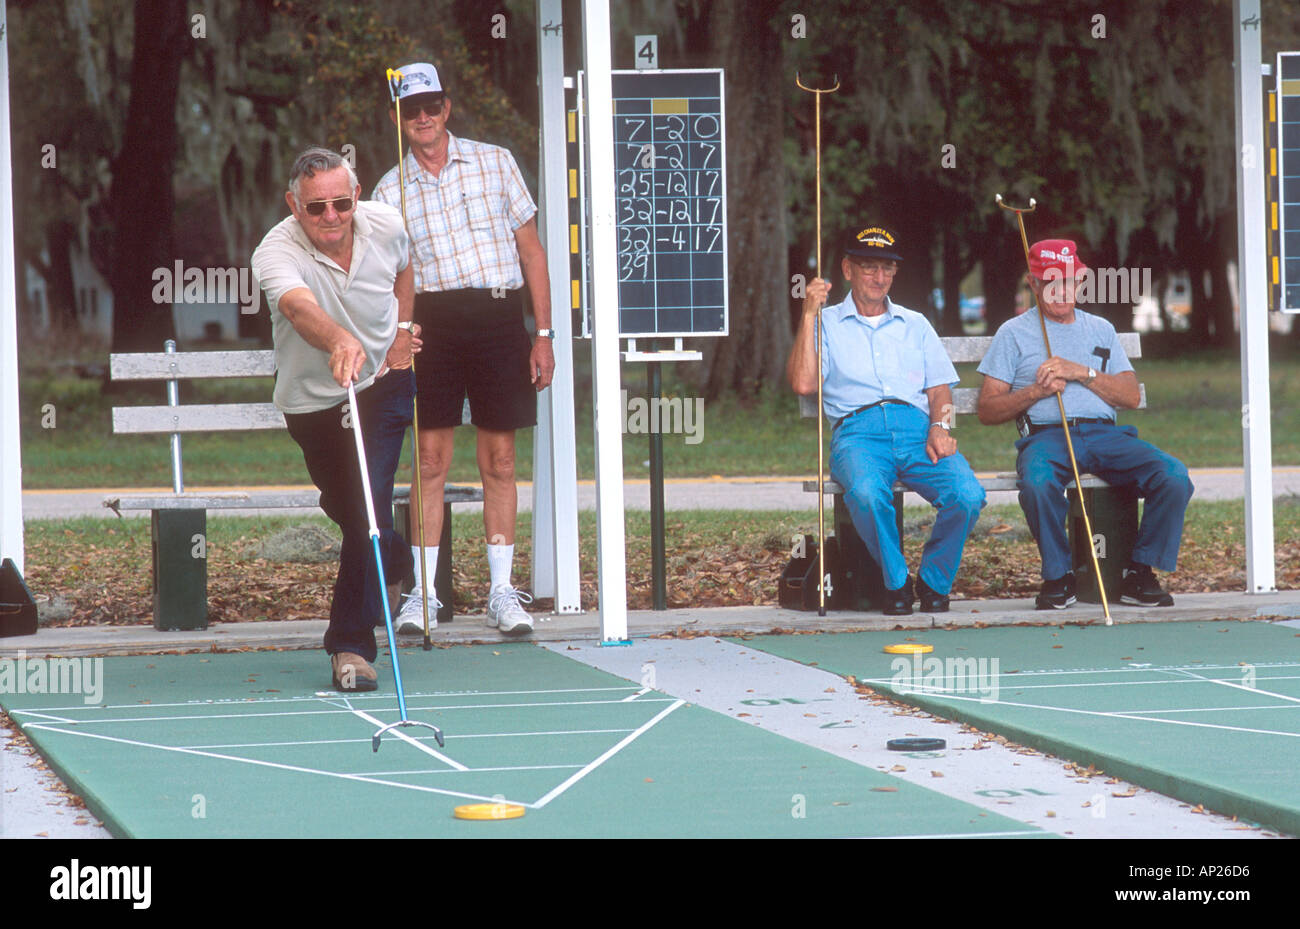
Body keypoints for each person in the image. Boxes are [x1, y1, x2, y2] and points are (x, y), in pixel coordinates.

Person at [373, 61, 555, 637]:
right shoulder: (388, 187)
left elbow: (532, 253)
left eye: (432, 106)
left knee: (499, 461)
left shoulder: (495, 161)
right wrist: (401, 331)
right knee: (429, 463)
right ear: (400, 119)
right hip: (433, 325)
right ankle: (424, 595)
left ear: (446, 108)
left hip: (499, 316)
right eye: (412, 111)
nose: (423, 118)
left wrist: (542, 334)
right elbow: (392, 274)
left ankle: (502, 591)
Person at [252, 146, 419, 692]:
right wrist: (339, 339)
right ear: (293, 204)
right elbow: (299, 309)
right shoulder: (275, 250)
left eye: (341, 204)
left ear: (357, 195)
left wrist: (401, 330)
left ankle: (350, 648)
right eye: (316, 207)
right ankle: (394, 560)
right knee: (355, 515)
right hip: (314, 401)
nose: (331, 217)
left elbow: (405, 268)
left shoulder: (387, 223)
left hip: (383, 386)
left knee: (368, 505)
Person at [976, 238, 1193, 609]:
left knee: (1173, 476)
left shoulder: (1101, 329)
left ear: (1082, 280)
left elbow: (1130, 395)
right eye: (1050, 281)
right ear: (1033, 283)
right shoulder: (1013, 333)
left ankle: (1138, 574)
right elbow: (987, 410)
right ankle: (1059, 577)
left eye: (1069, 280)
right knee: (1038, 483)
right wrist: (1034, 393)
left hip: (1106, 435)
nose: (1062, 290)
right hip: (1048, 438)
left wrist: (1083, 372)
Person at [786, 226, 985, 615]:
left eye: (888, 269)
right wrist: (809, 311)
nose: (880, 278)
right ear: (847, 269)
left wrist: (941, 427)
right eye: (869, 268)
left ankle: (934, 581)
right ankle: (897, 583)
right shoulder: (825, 323)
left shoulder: (915, 324)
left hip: (916, 429)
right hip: (858, 434)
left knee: (967, 494)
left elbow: (939, 391)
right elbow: (804, 382)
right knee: (865, 494)